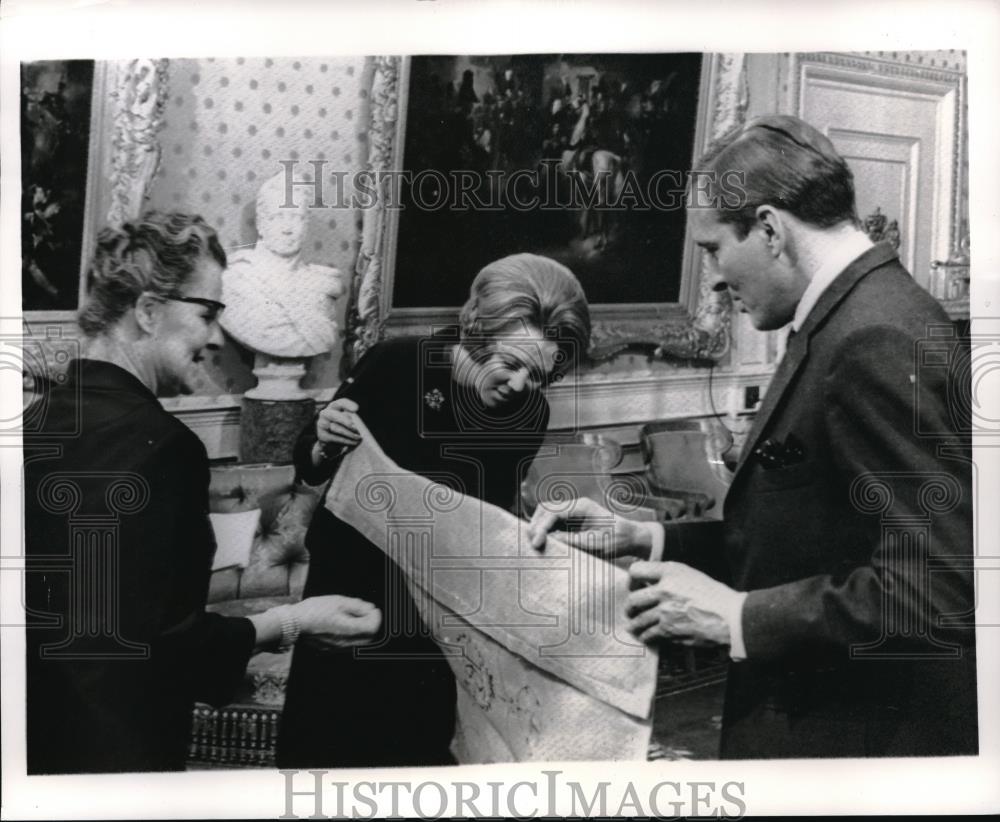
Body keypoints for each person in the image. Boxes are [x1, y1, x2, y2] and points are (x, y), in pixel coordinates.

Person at [529, 115, 977, 759]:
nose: (711, 276)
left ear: (769, 228)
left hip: (858, 741)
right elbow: (810, 535)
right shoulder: (850, 317)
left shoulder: (875, 336)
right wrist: (645, 536)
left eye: (713, 247)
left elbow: (941, 589)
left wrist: (736, 618)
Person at [23, 212, 382, 774]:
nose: (216, 338)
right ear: (146, 312)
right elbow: (169, 649)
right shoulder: (164, 448)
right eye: (207, 314)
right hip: (115, 752)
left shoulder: (36, 421)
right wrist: (298, 620)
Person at [276, 253, 591, 768]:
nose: (517, 386)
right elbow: (312, 466)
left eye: (536, 376)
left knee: (415, 765)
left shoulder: (529, 413)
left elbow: (490, 516)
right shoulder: (396, 363)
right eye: (509, 365)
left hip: (434, 619)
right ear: (478, 334)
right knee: (324, 762)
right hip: (350, 598)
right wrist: (323, 443)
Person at [220, 172, 345, 359]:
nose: (287, 228)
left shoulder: (322, 284)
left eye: (295, 217)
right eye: (278, 216)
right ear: (261, 224)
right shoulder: (237, 278)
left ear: (306, 223)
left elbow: (325, 337)